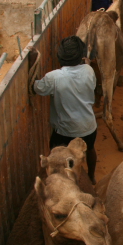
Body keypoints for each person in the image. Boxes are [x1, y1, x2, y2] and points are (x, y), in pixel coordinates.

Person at [33, 36, 98, 183]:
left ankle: (61, 182)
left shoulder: (54, 77)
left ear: (60, 56)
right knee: (90, 149)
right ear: (80, 56)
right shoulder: (89, 70)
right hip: (88, 126)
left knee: (57, 156)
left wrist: (32, 64)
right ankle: (92, 177)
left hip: (65, 131)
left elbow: (37, 88)